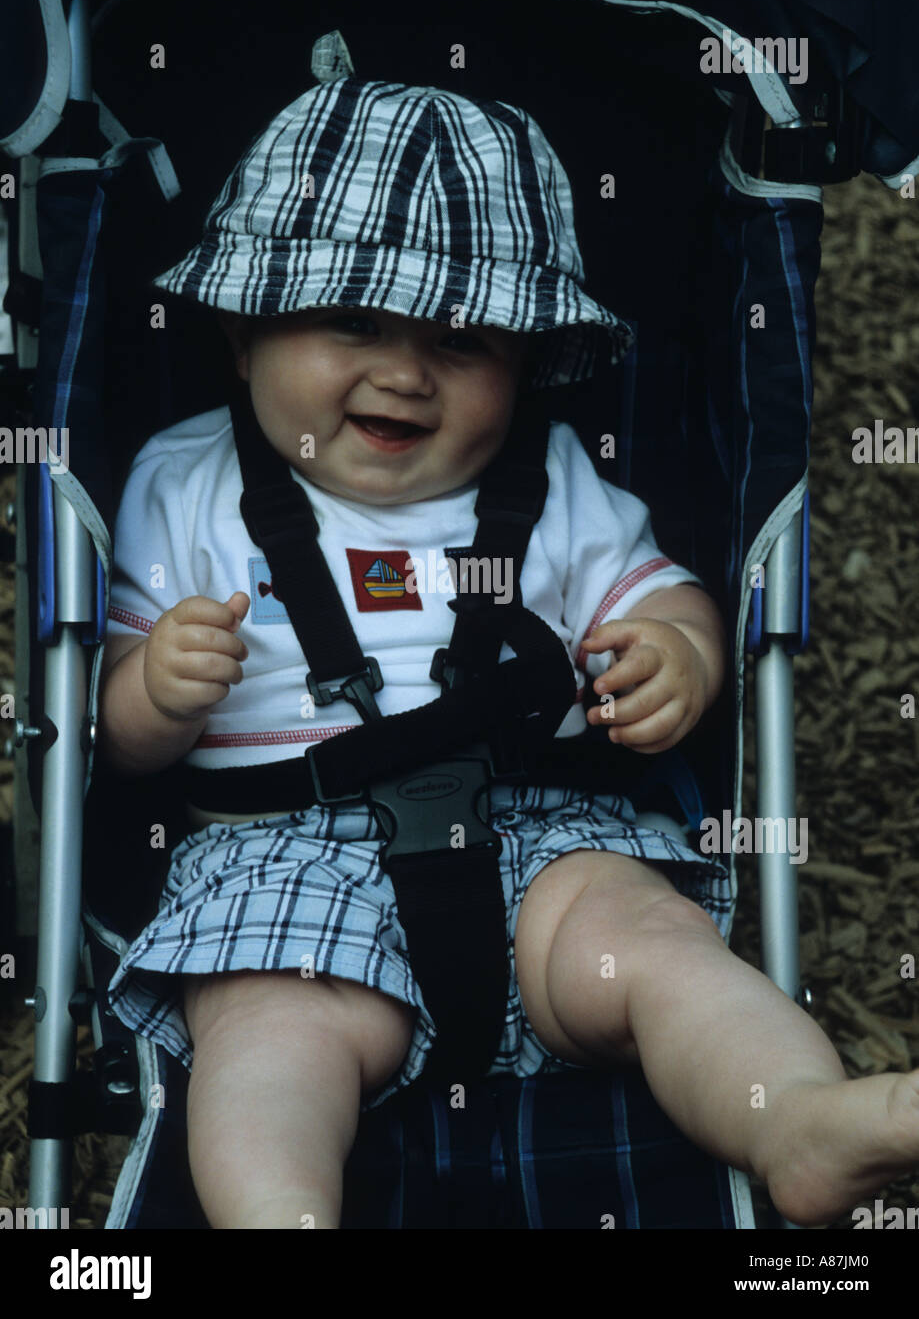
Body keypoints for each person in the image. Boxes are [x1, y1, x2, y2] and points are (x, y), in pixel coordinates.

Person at [101, 77, 919, 1230]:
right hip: (280, 861)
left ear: (529, 360)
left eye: (461, 338)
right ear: (243, 333)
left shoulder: (554, 484)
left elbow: (669, 597)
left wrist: (678, 654)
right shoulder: (184, 484)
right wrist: (156, 689)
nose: (404, 372)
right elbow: (117, 740)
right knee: (269, 1038)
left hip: (547, 845)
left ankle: (791, 1116)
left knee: (656, 953)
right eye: (352, 322)